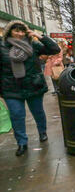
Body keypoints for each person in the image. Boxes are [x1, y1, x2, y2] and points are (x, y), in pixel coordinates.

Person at [0, 20, 60, 156]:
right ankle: (22, 142)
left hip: (33, 85)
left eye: (22, 31)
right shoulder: (2, 46)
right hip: (11, 87)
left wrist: (39, 36)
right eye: (16, 30)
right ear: (9, 31)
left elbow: (54, 49)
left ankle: (42, 132)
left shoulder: (33, 44)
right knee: (17, 115)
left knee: (38, 112)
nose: (20, 34)